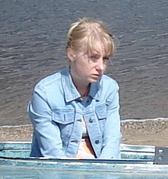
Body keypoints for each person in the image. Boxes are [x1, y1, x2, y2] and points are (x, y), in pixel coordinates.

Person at [29, 19, 120, 159]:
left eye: (105, 59)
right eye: (93, 58)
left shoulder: (109, 88)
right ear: (71, 54)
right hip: (60, 172)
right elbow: (53, 153)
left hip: (102, 167)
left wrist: (102, 172)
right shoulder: (45, 94)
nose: (101, 67)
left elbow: (112, 140)